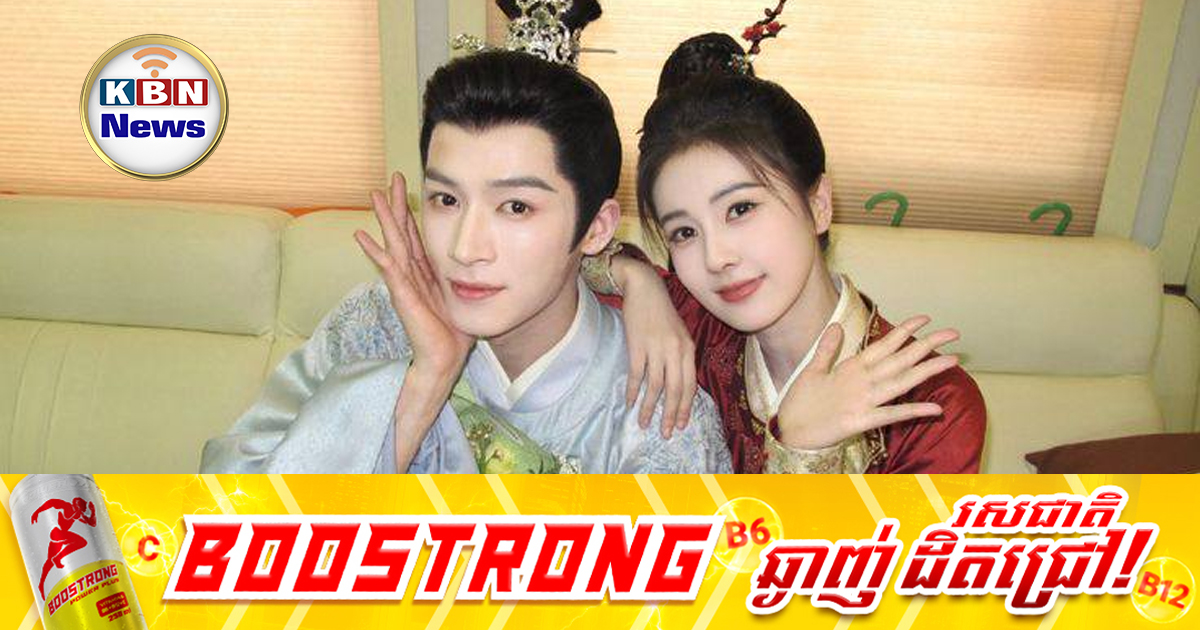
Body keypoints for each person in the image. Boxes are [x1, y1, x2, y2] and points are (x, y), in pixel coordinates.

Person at [199, 14, 732, 474]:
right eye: (446, 200)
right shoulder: (375, 324)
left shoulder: (654, 399)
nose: (465, 248)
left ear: (597, 228)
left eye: (516, 207)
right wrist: (422, 384)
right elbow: (228, 519)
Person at [595, 33, 986, 473]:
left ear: (818, 205)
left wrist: (802, 454)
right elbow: (572, 261)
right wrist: (638, 281)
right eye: (684, 232)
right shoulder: (691, 327)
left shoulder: (930, 406)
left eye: (740, 209)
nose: (716, 258)